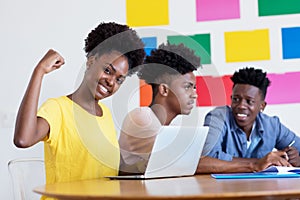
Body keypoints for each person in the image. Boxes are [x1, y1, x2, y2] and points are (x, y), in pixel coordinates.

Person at [13, 22, 146, 185]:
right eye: (107, 71)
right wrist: (39, 71)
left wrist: (143, 165)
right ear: (91, 61)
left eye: (119, 79)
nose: (111, 82)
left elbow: (104, 171)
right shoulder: (58, 108)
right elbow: (23, 140)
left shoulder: (106, 115)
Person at [118, 42, 204, 174]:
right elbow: (181, 162)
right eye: (187, 87)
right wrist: (248, 164)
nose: (195, 95)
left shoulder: (164, 127)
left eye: (194, 88)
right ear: (164, 89)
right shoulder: (141, 118)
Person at [197, 67, 300, 173]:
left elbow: (297, 148)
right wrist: (257, 163)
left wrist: (297, 160)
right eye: (236, 99)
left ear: (262, 106)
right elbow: (205, 159)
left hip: (262, 188)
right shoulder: (217, 117)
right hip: (223, 188)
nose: (241, 106)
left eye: (249, 101)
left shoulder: (272, 125)